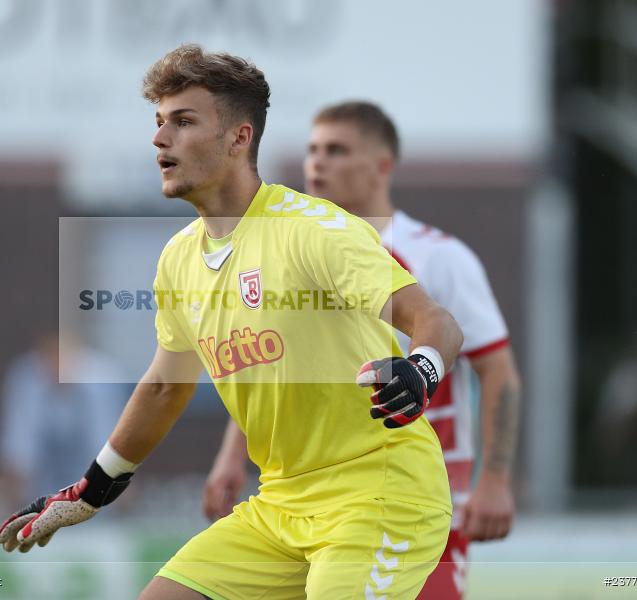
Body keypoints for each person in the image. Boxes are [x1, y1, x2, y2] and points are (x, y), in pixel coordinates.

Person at [0, 45, 463, 599]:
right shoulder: (178, 258)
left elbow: (436, 321)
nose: (160, 138)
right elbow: (166, 386)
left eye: (183, 121)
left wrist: (421, 370)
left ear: (239, 138)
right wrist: (93, 489)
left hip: (380, 495)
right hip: (280, 506)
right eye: (159, 122)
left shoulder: (313, 230)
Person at [203, 101, 523, 599]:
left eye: (336, 150)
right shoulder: (291, 250)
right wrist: (231, 455)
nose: (317, 163)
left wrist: (495, 479)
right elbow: (272, 366)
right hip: (314, 503)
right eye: (312, 149)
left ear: (382, 165)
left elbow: (497, 369)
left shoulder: (440, 257)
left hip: (418, 493)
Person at [0, 332, 125, 507]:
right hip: (39, 499)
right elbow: (17, 454)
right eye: (50, 353)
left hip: (97, 499)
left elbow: (114, 452)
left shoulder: (104, 377)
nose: (57, 363)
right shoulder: (25, 378)